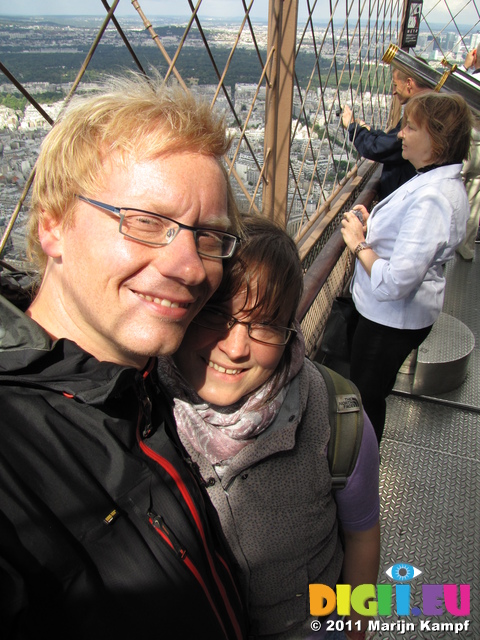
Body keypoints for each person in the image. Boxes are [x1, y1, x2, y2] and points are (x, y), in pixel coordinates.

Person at [0, 74, 247, 639]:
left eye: (209, 236)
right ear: (52, 225)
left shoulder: (144, 383)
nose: (190, 267)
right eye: (146, 222)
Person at [157, 216, 380, 640]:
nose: (237, 348)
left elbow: (363, 534)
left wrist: (355, 631)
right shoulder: (134, 403)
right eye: (216, 315)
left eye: (265, 324)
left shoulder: (337, 417)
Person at [341, 92, 473, 443]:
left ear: (437, 141)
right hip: (401, 318)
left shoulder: (433, 197)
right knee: (372, 391)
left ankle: (360, 464)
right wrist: (376, 226)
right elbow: (416, 242)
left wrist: (358, 242)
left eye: (411, 127)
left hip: (389, 320)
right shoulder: (438, 181)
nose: (400, 134)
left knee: (366, 399)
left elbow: (394, 281)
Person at [341, 68, 430, 199]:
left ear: (409, 84)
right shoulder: (426, 107)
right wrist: (367, 130)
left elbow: (384, 148)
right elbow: (392, 139)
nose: (393, 91)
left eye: (395, 85)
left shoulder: (422, 112)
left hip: (402, 197)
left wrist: (354, 128)